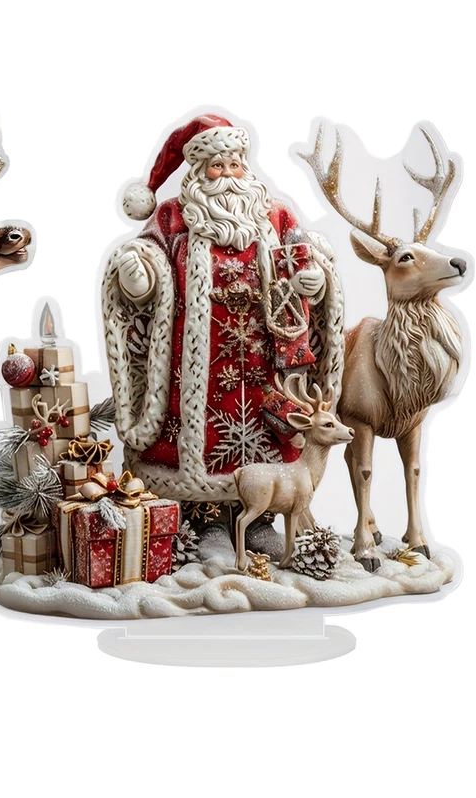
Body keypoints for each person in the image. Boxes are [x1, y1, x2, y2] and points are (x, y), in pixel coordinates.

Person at [104, 114, 343, 513]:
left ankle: (261, 515)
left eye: (235, 164)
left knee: (274, 429)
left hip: (267, 357)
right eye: (217, 165)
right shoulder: (174, 216)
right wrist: (138, 276)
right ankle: (202, 516)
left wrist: (315, 280)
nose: (228, 174)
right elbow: (149, 258)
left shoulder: (275, 215)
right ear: (198, 170)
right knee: (198, 434)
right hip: (195, 363)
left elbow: (303, 256)